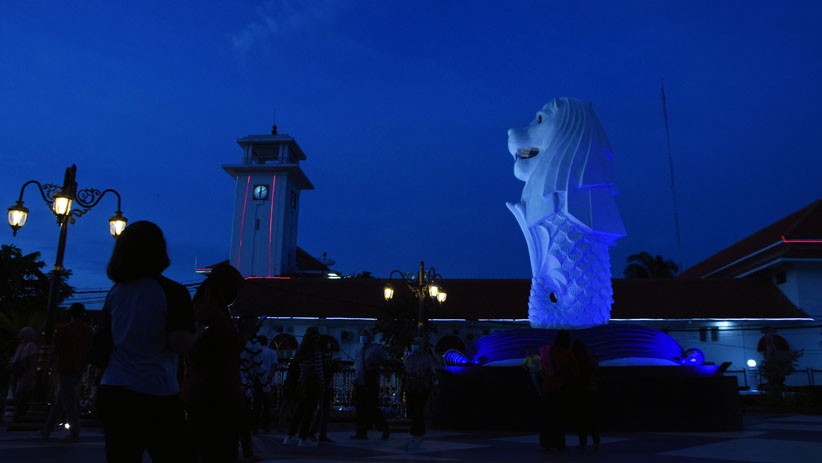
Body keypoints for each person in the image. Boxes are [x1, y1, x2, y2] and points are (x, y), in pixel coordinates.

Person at [96, 220, 200, 462]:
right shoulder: (173, 292)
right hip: (156, 391)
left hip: (114, 389)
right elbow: (178, 342)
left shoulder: (116, 292)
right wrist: (197, 332)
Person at [181, 262, 248, 463]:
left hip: (201, 392)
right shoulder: (213, 314)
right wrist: (243, 337)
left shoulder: (204, 307)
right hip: (215, 394)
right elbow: (222, 351)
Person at [41, 303, 93, 442]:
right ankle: (47, 429)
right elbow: (89, 350)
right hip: (78, 368)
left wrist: (49, 365)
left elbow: (56, 349)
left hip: (65, 367)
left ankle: (73, 431)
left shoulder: (64, 330)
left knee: (68, 402)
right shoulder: (88, 330)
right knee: (61, 400)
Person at [286, 327, 324, 447]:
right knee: (309, 412)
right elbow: (319, 369)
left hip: (302, 384)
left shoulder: (301, 349)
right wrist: (322, 385)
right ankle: (303, 438)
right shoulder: (315, 350)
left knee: (299, 411)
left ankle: (289, 436)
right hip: (313, 385)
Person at [538, 329, 576, 451]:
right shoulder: (566, 353)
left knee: (547, 417)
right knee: (559, 418)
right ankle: (558, 443)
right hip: (560, 389)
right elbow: (572, 370)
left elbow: (543, 370)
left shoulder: (548, 351)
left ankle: (546, 442)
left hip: (547, 388)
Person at [350, 328, 390, 440]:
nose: (363, 337)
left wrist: (375, 366)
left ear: (370, 337)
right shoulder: (359, 349)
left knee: (372, 407)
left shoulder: (376, 349)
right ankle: (361, 432)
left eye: (365, 335)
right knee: (360, 408)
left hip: (371, 381)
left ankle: (384, 428)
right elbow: (357, 365)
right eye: (362, 335)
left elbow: (385, 362)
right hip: (360, 381)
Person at [403, 337, 436, 438]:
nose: (414, 346)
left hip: (422, 387)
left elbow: (430, 371)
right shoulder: (409, 357)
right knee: (413, 408)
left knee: (419, 408)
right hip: (412, 387)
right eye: (413, 344)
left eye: (416, 344)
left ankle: (418, 429)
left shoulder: (427, 358)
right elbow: (407, 371)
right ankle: (417, 428)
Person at [309, 336, 340, 443]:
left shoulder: (322, 356)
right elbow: (324, 370)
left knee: (322, 411)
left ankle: (315, 432)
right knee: (323, 411)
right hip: (324, 385)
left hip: (324, 385)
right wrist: (333, 366)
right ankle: (317, 433)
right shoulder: (321, 357)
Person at [572, 338, 600, 449]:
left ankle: (582, 441)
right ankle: (596, 440)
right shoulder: (591, 359)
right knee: (592, 417)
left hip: (579, 392)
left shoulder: (573, 360)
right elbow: (596, 371)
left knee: (581, 418)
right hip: (591, 391)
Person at [9, 326, 39, 422]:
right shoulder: (31, 346)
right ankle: (20, 418)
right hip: (26, 375)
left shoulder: (20, 346)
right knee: (25, 397)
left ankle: (16, 418)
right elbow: (32, 363)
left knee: (18, 396)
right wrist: (32, 375)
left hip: (17, 375)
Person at [255, 335, 278, 433]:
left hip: (257, 380)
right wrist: (270, 379)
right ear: (267, 342)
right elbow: (274, 366)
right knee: (267, 405)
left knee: (257, 404)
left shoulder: (256, 352)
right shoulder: (272, 352)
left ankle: (255, 426)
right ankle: (265, 427)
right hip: (268, 380)